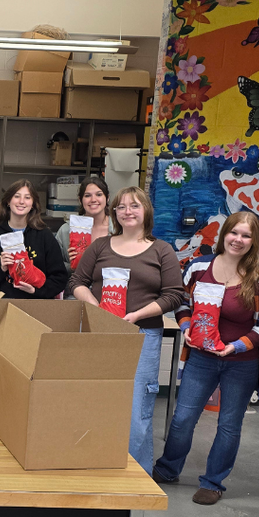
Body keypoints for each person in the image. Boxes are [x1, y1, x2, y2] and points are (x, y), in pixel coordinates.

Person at [152, 212, 259, 504]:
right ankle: (167, 468)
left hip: (241, 362)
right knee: (183, 417)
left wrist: (236, 346)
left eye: (246, 235)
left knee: (228, 424)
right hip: (201, 356)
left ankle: (213, 482)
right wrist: (186, 327)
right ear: (224, 234)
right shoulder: (198, 267)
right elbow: (183, 302)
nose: (238, 240)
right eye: (234, 233)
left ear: (254, 241)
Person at [69, 185, 186, 474]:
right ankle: (95, 465)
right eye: (121, 207)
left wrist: (135, 315)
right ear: (114, 212)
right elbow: (76, 282)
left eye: (134, 205)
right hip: (99, 334)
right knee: (97, 402)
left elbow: (174, 295)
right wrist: (95, 306)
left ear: (146, 210)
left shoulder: (162, 250)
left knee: (137, 411)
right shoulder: (100, 246)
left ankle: (136, 475)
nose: (128, 211)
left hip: (142, 336)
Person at [0, 180, 68, 299]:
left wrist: (35, 291)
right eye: (17, 196)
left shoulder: (44, 236)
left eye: (27, 197)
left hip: (37, 306)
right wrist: (1, 268)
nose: (21, 201)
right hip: (2, 305)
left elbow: (60, 278)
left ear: (33, 204)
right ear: (8, 201)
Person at [55, 177, 112, 275]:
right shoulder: (65, 230)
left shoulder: (119, 229)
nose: (93, 200)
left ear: (107, 198)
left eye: (99, 194)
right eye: (87, 195)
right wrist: (71, 265)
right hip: (75, 287)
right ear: (80, 200)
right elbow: (53, 265)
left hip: (109, 288)